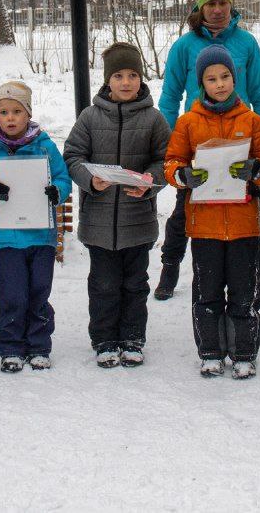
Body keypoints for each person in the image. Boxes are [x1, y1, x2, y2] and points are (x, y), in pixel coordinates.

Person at [155, 0, 260, 305]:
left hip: (240, 140)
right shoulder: (184, 46)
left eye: (224, 2)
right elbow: (169, 97)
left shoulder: (247, 44)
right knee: (183, 211)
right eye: (212, 3)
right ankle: (169, 268)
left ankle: (259, 278)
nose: (219, 9)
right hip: (198, 141)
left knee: (251, 211)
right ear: (200, 7)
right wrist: (168, 142)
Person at [164, 46, 260, 379]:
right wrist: (182, 176)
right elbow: (172, 162)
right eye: (211, 79)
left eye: (225, 76)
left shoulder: (252, 121)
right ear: (201, 83)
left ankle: (244, 352)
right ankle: (210, 351)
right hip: (205, 225)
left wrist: (256, 170)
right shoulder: (188, 122)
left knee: (243, 292)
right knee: (207, 293)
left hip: (244, 225)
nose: (220, 84)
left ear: (234, 78)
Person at [63, 43, 170, 369]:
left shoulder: (153, 119)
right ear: (108, 80)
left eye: (133, 75)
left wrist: (149, 183)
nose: (126, 82)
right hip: (99, 224)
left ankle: (133, 338)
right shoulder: (90, 117)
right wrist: (89, 180)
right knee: (104, 285)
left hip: (138, 222)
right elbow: (72, 156)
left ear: (141, 78)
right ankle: (104, 339)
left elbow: (166, 161)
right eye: (119, 75)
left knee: (135, 285)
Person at [0, 81, 72, 374]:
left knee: (39, 292)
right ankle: (12, 347)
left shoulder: (45, 146)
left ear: (28, 113)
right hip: (7, 239)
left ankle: (39, 345)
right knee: (12, 295)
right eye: (4, 112)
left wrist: (58, 191)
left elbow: (62, 178)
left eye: (17, 111)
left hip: (41, 236)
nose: (11, 117)